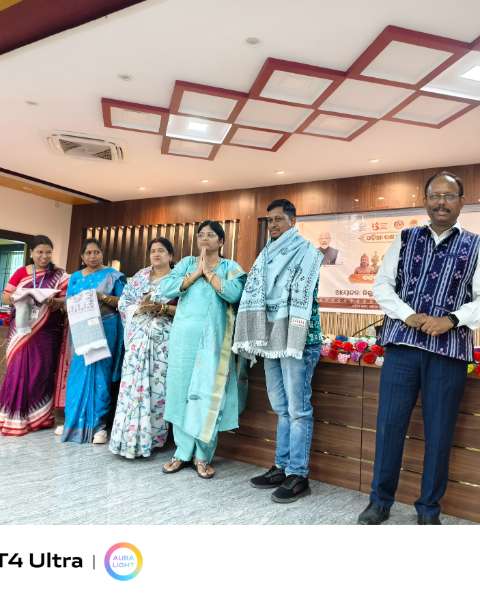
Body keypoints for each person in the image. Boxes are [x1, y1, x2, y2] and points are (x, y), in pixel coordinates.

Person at [358, 171, 480, 525]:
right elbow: (382, 286)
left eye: (449, 196)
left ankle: (428, 508)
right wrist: (408, 315)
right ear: (425, 201)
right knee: (389, 426)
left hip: (448, 352)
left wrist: (451, 320)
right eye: (435, 196)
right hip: (402, 347)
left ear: (461, 202)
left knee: (439, 433)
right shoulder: (405, 238)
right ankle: (380, 501)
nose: (441, 202)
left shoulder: (476, 245)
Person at [233, 199, 322, 503]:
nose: (273, 225)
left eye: (279, 219)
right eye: (270, 220)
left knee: (298, 410)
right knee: (281, 408)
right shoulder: (266, 255)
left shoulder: (307, 252)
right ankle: (282, 467)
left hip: (298, 339)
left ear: (292, 221)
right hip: (271, 338)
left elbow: (301, 291)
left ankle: (299, 474)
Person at [152, 220, 246, 479]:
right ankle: (182, 453)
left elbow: (235, 294)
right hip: (183, 340)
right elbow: (165, 288)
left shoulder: (230, 267)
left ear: (221, 241)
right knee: (181, 393)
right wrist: (195, 274)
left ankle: (203, 456)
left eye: (211, 235)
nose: (204, 238)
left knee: (207, 395)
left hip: (214, 343)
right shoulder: (186, 264)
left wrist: (210, 275)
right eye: (201, 234)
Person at [109, 238, 177, 459]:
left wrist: (160, 308)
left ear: (170, 255)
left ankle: (153, 439)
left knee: (157, 387)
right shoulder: (140, 276)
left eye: (161, 251)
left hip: (162, 341)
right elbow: (123, 302)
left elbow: (184, 308)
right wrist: (140, 307)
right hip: (137, 338)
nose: (156, 254)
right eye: (153, 251)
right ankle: (126, 437)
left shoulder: (178, 279)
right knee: (131, 386)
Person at [0, 235, 68, 436]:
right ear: (32, 253)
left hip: (46, 331)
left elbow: (67, 298)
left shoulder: (59, 274)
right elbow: (6, 296)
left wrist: (55, 301)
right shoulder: (21, 272)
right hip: (22, 329)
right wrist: (20, 296)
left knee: (41, 372)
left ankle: (39, 418)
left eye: (48, 252)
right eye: (39, 252)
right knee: (17, 371)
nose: (44, 256)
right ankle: (14, 417)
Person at [62, 238, 126, 444]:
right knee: (78, 374)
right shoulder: (75, 277)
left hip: (105, 328)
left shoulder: (113, 276)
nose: (93, 256)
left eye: (96, 252)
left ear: (102, 254)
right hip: (81, 329)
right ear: (82, 257)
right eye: (88, 253)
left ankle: (99, 426)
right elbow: (68, 302)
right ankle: (73, 422)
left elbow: (124, 303)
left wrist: (102, 297)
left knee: (101, 375)